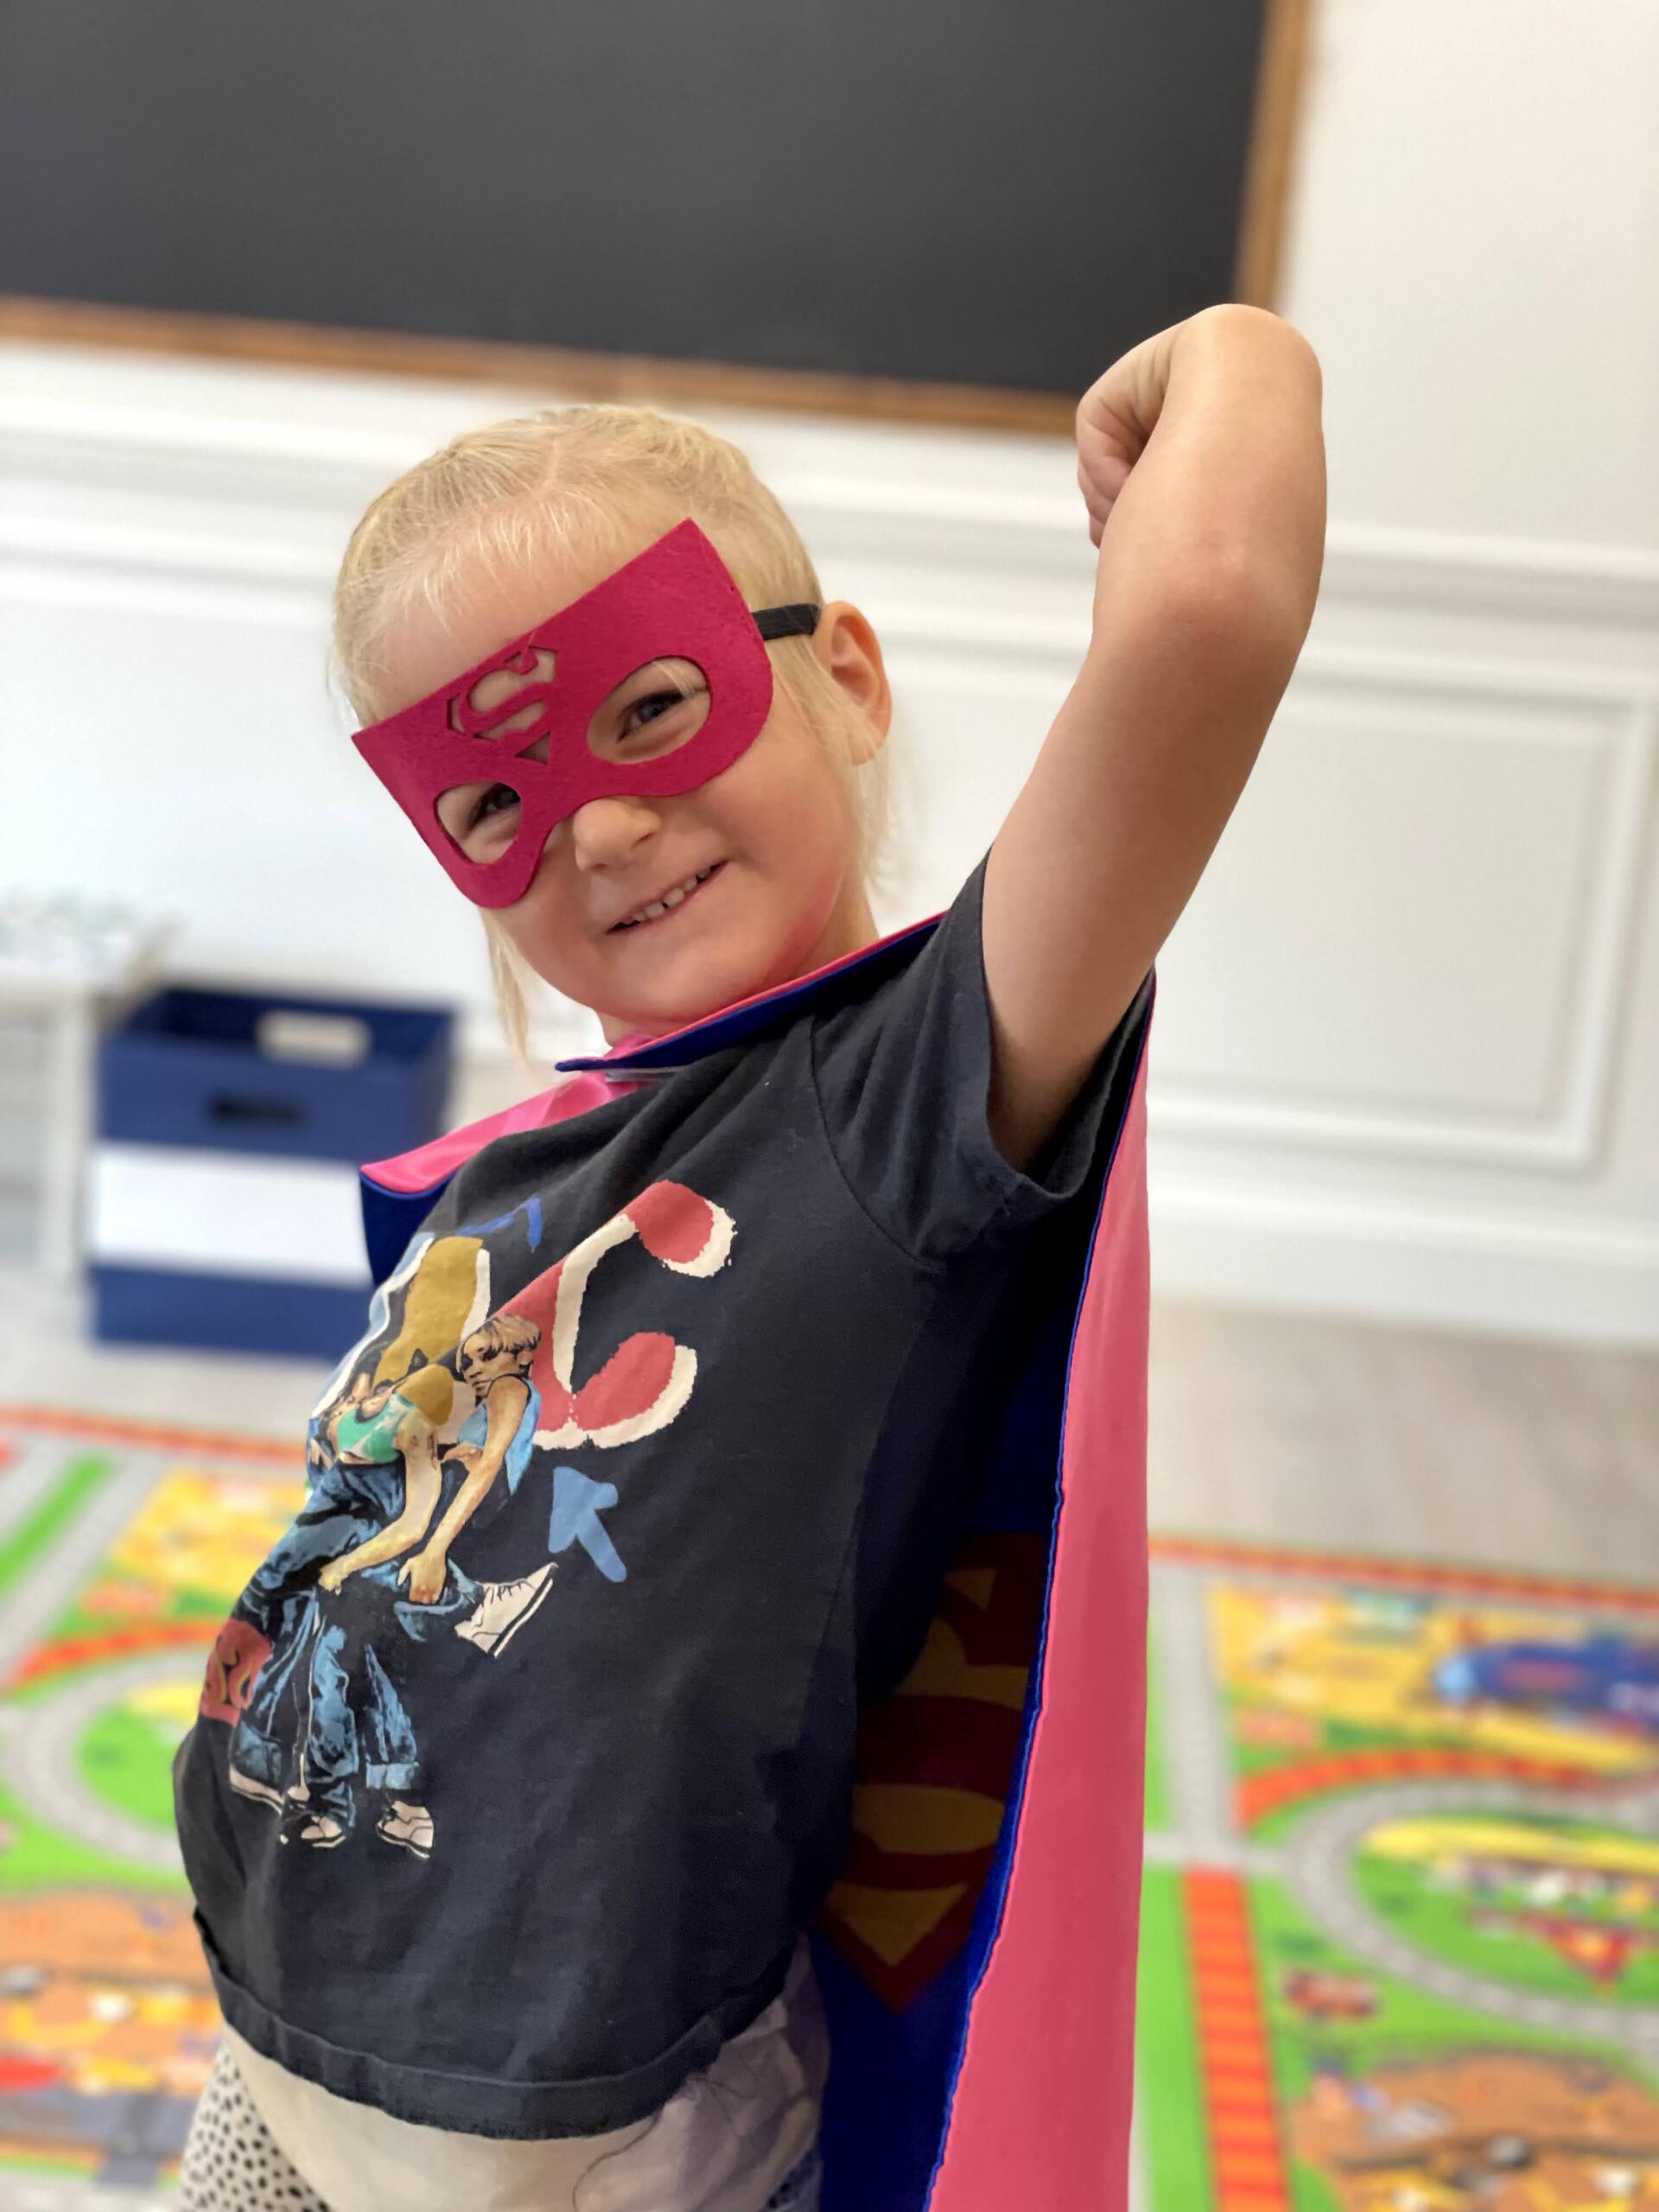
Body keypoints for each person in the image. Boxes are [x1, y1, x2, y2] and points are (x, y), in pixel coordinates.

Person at [172, 302, 1325, 2212]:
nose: (605, 825)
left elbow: (1205, 614)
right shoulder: (543, 1147)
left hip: (586, 2121)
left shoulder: (901, 1103)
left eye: (648, 705)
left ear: (845, 678)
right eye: (498, 799)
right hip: (297, 2014)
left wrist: (1233, 351)